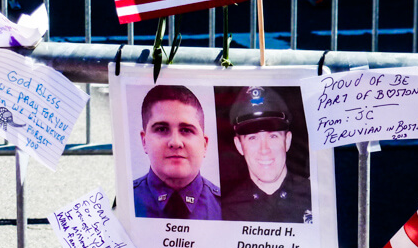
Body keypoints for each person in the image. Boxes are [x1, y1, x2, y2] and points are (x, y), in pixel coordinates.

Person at [222, 86, 312, 223]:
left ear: (287, 141)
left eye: (273, 136)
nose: (264, 149)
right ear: (239, 146)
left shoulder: (315, 199)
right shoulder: (225, 212)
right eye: (253, 138)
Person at [133, 85, 221, 219]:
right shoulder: (126, 202)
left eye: (186, 130)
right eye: (162, 129)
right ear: (144, 141)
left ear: (204, 144)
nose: (175, 142)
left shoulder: (227, 207)